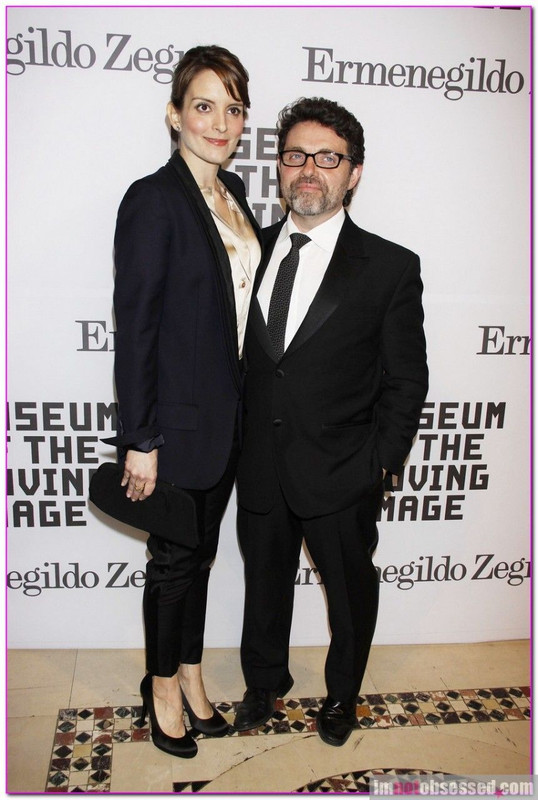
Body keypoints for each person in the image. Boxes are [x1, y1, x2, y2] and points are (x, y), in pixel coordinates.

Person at [233, 97, 428, 747]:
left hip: (343, 470)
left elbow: (406, 379)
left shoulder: (390, 267)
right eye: (294, 156)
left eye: (327, 157)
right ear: (279, 167)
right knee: (262, 584)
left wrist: (381, 460)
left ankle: (342, 694)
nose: (308, 170)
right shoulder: (245, 251)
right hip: (258, 461)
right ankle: (264, 682)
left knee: (348, 594)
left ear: (354, 171)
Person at [105, 45, 261, 758]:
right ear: (174, 114)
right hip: (175, 426)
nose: (219, 121)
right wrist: (140, 437)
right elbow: (135, 325)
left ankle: (192, 674)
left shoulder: (236, 200)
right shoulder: (153, 198)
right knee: (172, 561)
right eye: (204, 105)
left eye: (233, 108)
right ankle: (161, 686)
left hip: (228, 424)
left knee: (197, 559)